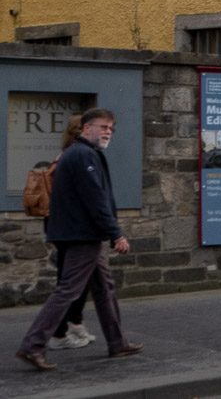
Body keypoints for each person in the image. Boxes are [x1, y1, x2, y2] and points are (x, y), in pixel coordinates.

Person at [14, 107, 142, 371]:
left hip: (83, 234)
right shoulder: (84, 155)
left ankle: (117, 342)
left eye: (110, 128)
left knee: (104, 288)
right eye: (102, 127)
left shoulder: (82, 154)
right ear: (86, 128)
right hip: (83, 235)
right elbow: (95, 199)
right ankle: (33, 345)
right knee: (68, 290)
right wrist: (115, 233)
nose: (108, 132)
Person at [44, 117, 95, 352]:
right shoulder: (73, 157)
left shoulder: (70, 155)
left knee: (80, 281)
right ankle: (58, 333)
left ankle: (74, 323)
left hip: (68, 226)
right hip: (70, 227)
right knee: (68, 282)